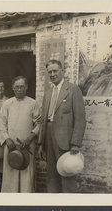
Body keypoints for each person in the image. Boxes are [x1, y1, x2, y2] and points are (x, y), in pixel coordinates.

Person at [38, 60, 86, 193]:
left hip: (65, 139)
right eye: (50, 72)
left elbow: (80, 119)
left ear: (62, 71)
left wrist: (76, 143)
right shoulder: (48, 93)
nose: (52, 74)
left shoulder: (72, 89)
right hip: (49, 136)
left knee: (67, 174)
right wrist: (41, 144)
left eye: (55, 71)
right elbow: (43, 120)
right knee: (51, 175)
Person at [0, 76, 40, 193]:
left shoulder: (33, 103)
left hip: (27, 145)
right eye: (16, 87)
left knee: (27, 175)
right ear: (12, 88)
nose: (19, 89)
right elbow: (2, 124)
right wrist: (7, 139)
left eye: (22, 86)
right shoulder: (7, 103)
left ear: (26, 87)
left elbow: (39, 124)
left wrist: (29, 139)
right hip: (11, 145)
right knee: (10, 174)